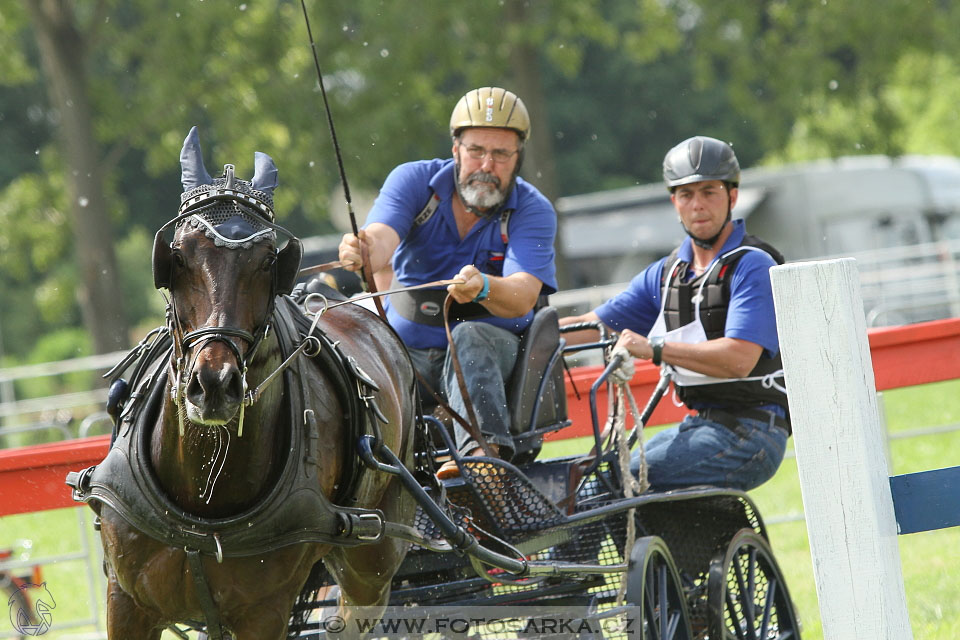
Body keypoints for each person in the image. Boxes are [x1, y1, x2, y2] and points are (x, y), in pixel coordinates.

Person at [339, 87, 557, 475]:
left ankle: (482, 463)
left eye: (502, 154)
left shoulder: (532, 209)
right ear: (455, 149)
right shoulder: (413, 182)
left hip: (496, 355)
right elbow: (381, 240)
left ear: (518, 158)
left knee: (470, 336)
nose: (487, 165)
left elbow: (523, 295)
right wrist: (364, 249)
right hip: (408, 356)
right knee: (343, 350)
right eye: (476, 150)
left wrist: (485, 288)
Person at [560, 136, 789, 492]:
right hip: (701, 426)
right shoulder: (666, 273)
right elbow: (594, 326)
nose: (697, 205)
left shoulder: (752, 266)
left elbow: (739, 360)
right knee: (591, 479)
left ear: (732, 196)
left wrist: (653, 348)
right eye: (686, 194)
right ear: (674, 202)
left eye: (709, 192)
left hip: (754, 433)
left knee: (608, 482)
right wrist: (523, 330)